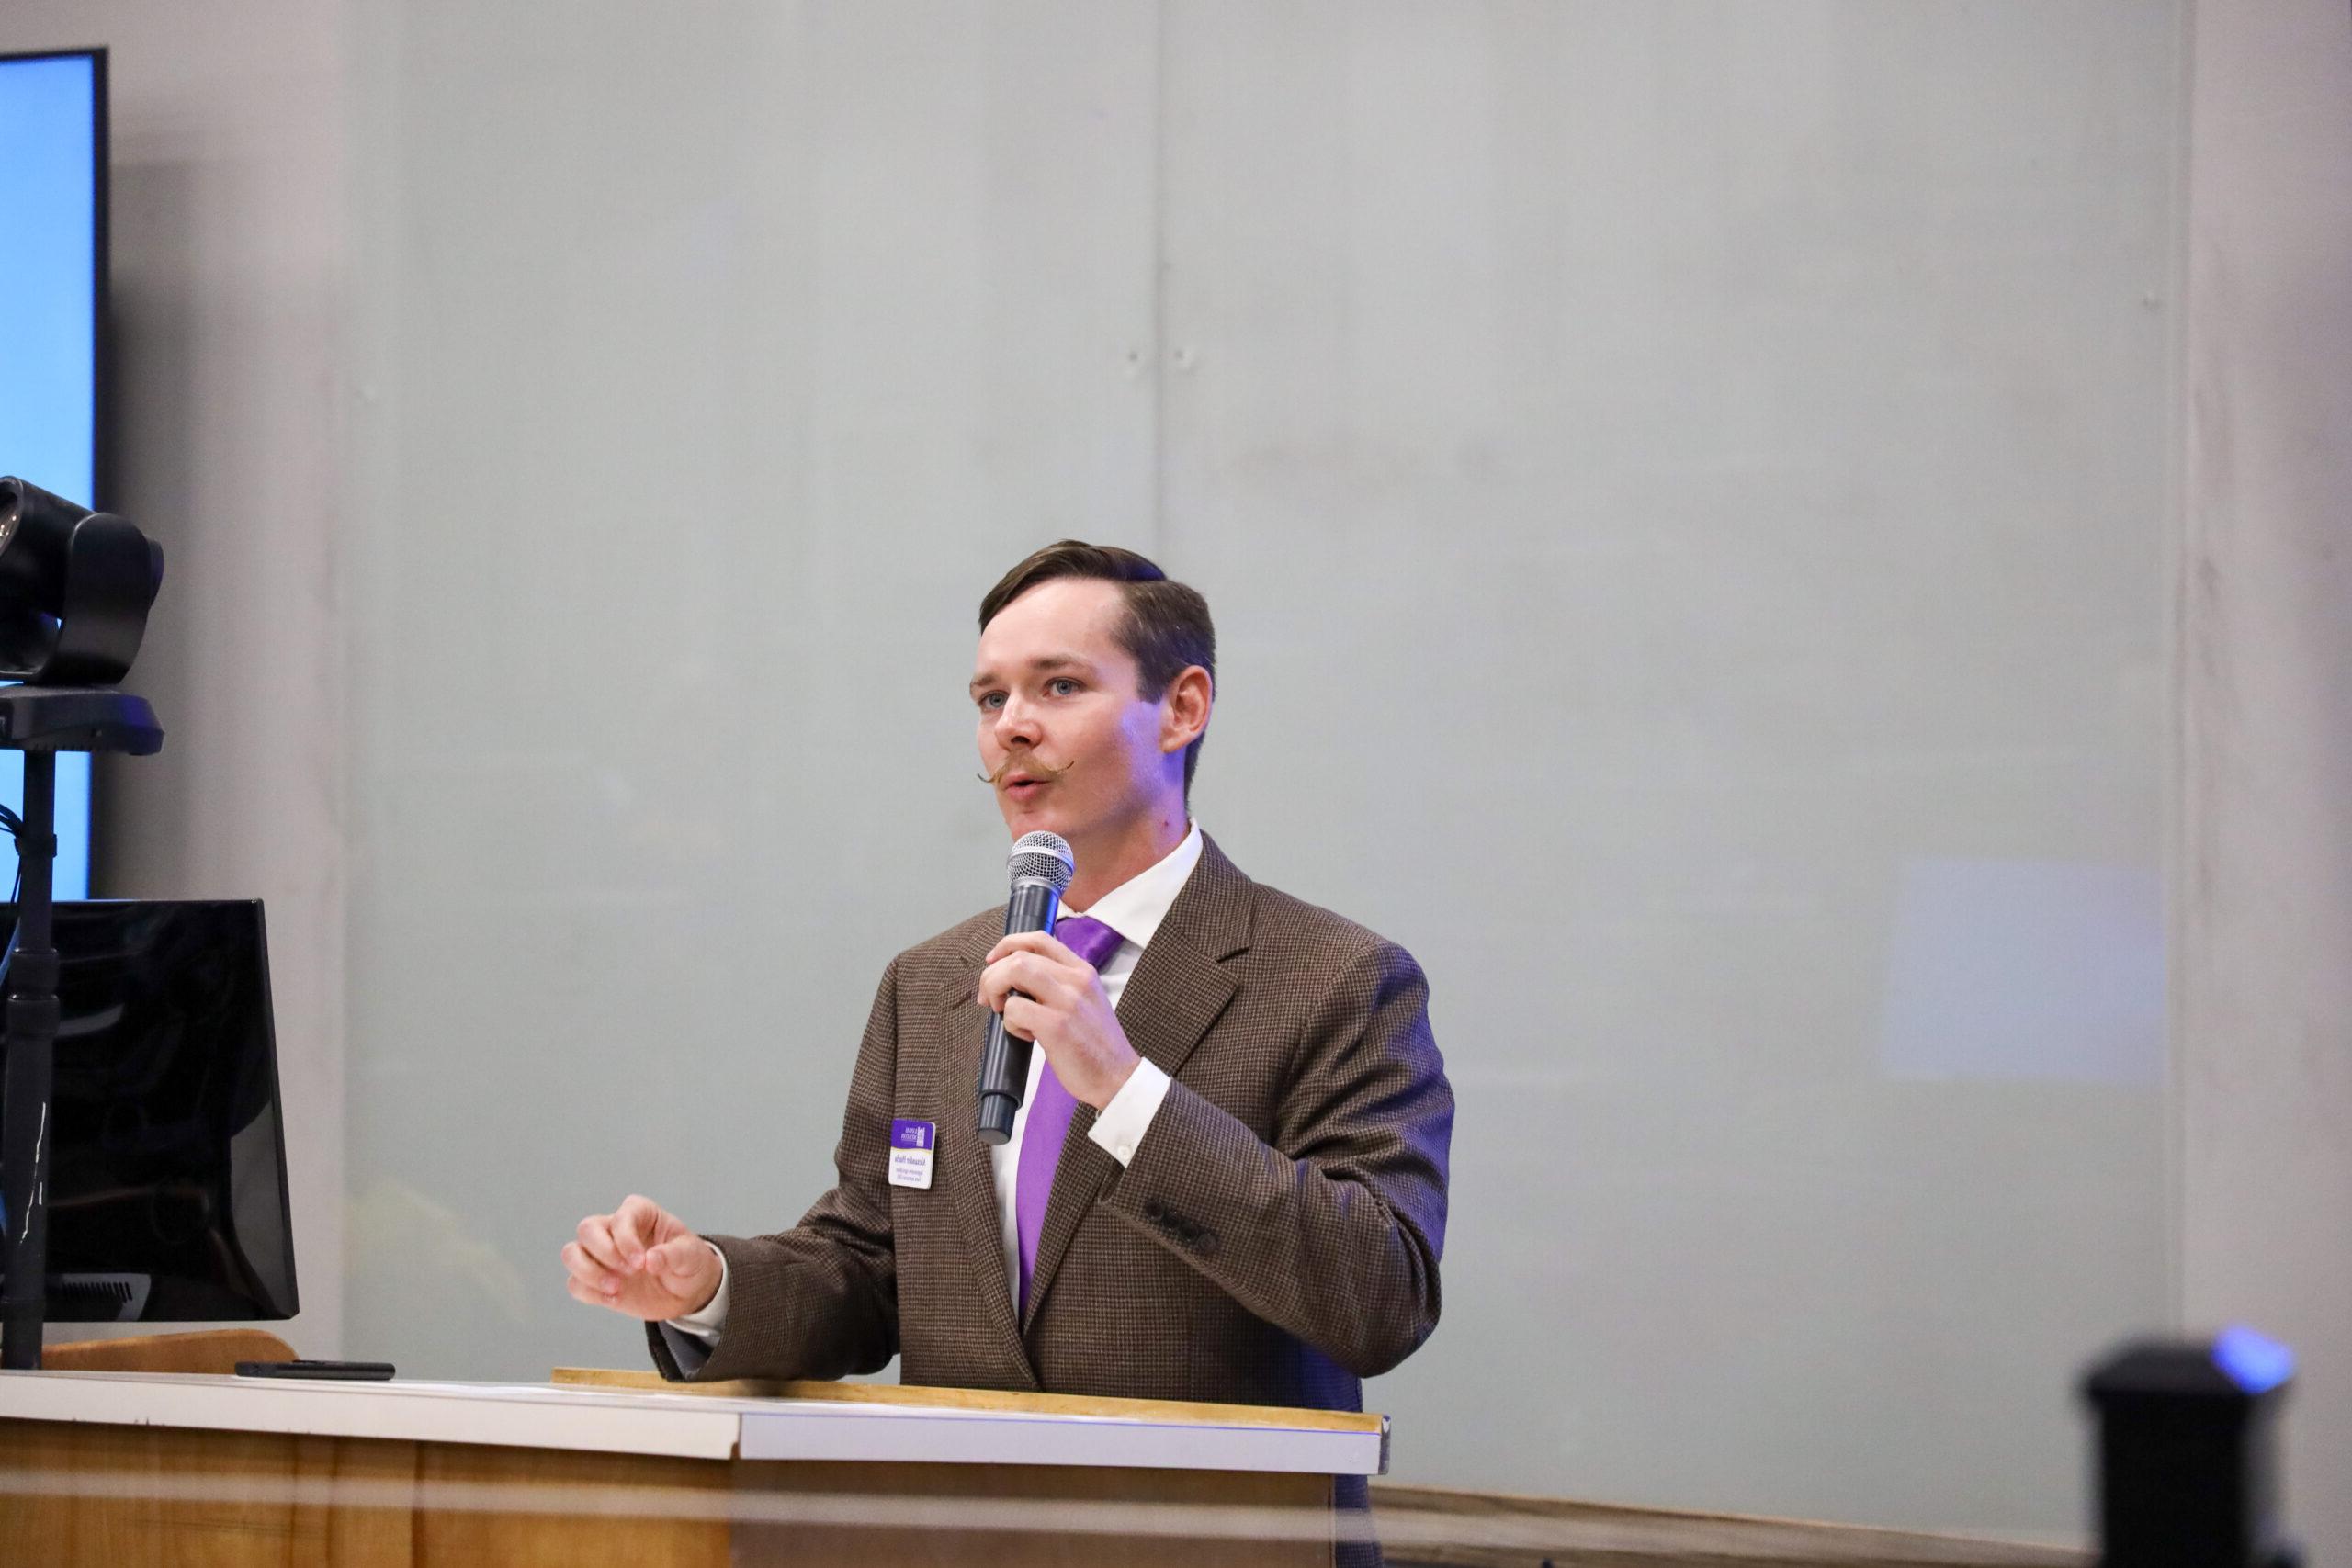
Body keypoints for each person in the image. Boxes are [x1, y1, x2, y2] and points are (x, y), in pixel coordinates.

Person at [563, 539, 1452, 1467]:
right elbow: (871, 1269)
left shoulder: (1334, 979)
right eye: (991, 698)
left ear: (1180, 709)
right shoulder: (935, 982)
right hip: (956, 1533)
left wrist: (1124, 1088)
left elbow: (1379, 1299)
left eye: (1058, 687)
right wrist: (707, 1287)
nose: (1011, 728)